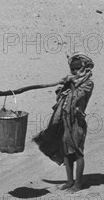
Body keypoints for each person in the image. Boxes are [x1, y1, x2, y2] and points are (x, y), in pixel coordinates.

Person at [33, 54, 94, 192]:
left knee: (77, 153)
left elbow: (77, 96)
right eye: (72, 69)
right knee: (66, 152)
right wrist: (66, 84)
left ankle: (78, 184)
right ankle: (69, 181)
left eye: (77, 68)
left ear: (84, 67)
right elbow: (60, 96)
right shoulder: (71, 82)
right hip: (65, 120)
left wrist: (71, 83)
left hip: (77, 121)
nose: (74, 71)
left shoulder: (88, 83)